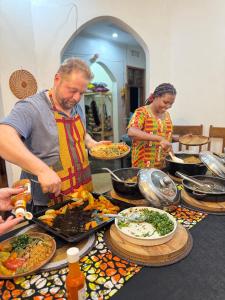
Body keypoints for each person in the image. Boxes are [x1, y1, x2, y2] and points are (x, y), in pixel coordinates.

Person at [0, 58, 110, 212]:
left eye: (81, 92)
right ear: (57, 79)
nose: (77, 98)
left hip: (81, 190)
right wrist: (42, 170)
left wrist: (91, 143)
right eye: (72, 90)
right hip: (46, 202)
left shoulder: (75, 106)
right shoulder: (31, 107)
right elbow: (3, 138)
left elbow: (80, 133)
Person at [127, 83, 178, 169]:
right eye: (165, 102)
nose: (168, 106)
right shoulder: (142, 112)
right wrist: (160, 138)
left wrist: (175, 138)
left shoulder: (167, 115)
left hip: (162, 166)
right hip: (143, 167)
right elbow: (132, 132)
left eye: (171, 104)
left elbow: (160, 134)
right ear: (155, 97)